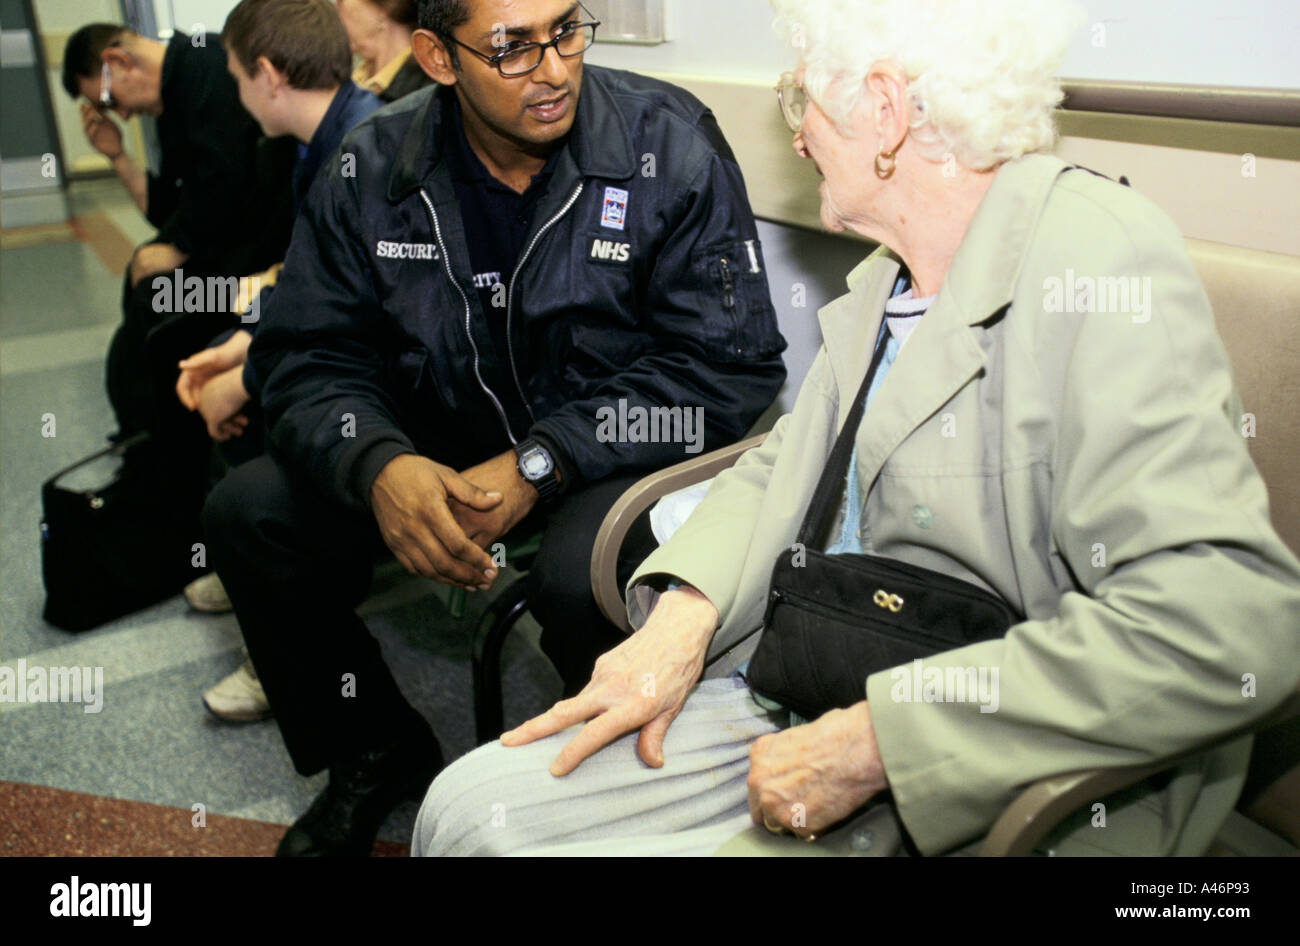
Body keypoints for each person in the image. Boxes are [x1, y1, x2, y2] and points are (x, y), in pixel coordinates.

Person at [411, 0, 1300, 857]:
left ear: (883, 110)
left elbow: (1230, 621)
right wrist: (686, 617)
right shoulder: (887, 280)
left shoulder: (1102, 262)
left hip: (989, 761)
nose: (795, 134)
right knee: (465, 811)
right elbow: (784, 466)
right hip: (819, 670)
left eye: (802, 99)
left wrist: (880, 744)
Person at [200, 0, 787, 856]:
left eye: (566, 30)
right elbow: (305, 356)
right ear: (437, 57)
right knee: (247, 514)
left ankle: (631, 791)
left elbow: (728, 367)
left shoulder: (670, 143)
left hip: (607, 457)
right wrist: (377, 465)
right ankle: (374, 749)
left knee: (579, 569)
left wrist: (541, 463)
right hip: (435, 444)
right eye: (511, 47)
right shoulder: (371, 167)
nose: (552, 70)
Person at [170, 0, 384, 639]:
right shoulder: (322, 139)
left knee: (257, 417)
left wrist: (248, 377)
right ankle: (260, 575)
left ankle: (294, 602)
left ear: (268, 72)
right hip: (347, 338)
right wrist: (240, 342)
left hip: (382, 370)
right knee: (214, 348)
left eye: (236, 77)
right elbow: (305, 274)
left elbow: (357, 316)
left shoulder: (363, 149)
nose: (235, 94)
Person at [62, 23, 293, 438]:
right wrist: (117, 157)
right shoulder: (177, 92)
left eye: (111, 100)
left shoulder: (208, 71)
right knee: (146, 275)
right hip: (231, 256)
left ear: (118, 62)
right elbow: (170, 210)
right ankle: (144, 437)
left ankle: (162, 443)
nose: (124, 113)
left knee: (158, 296)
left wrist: (179, 248)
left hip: (255, 275)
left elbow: (228, 190)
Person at [335, 0, 433, 102]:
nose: (335, 10)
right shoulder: (350, 80)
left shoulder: (427, 86)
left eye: (341, 2)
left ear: (379, 12)